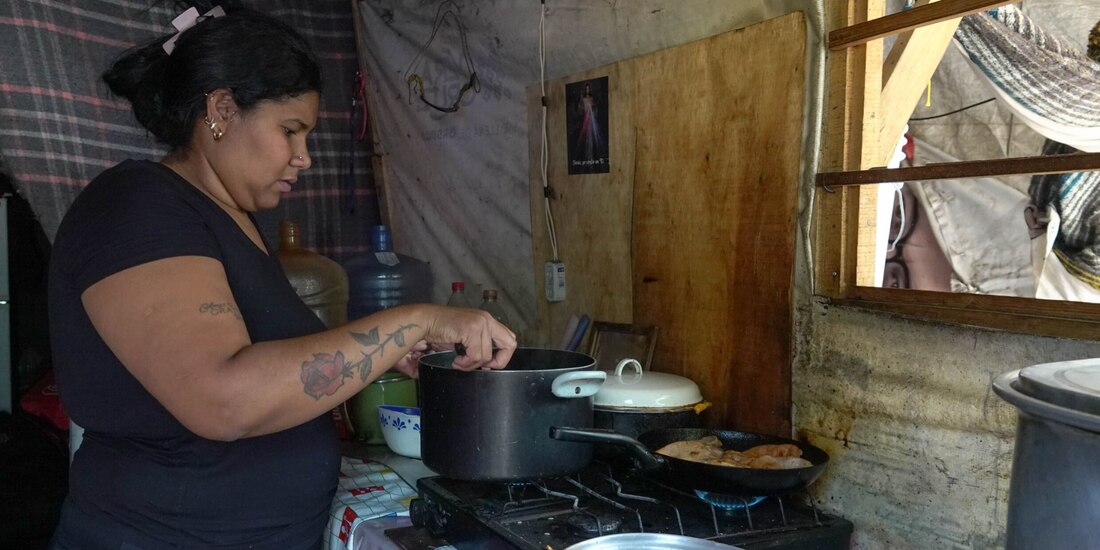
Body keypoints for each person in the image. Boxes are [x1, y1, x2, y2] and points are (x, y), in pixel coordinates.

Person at [47, 6, 516, 549]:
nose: (305, 158)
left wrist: (384, 353)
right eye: (290, 131)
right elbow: (222, 398)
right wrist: (411, 322)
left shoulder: (230, 220)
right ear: (221, 110)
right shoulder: (137, 206)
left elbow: (278, 370)